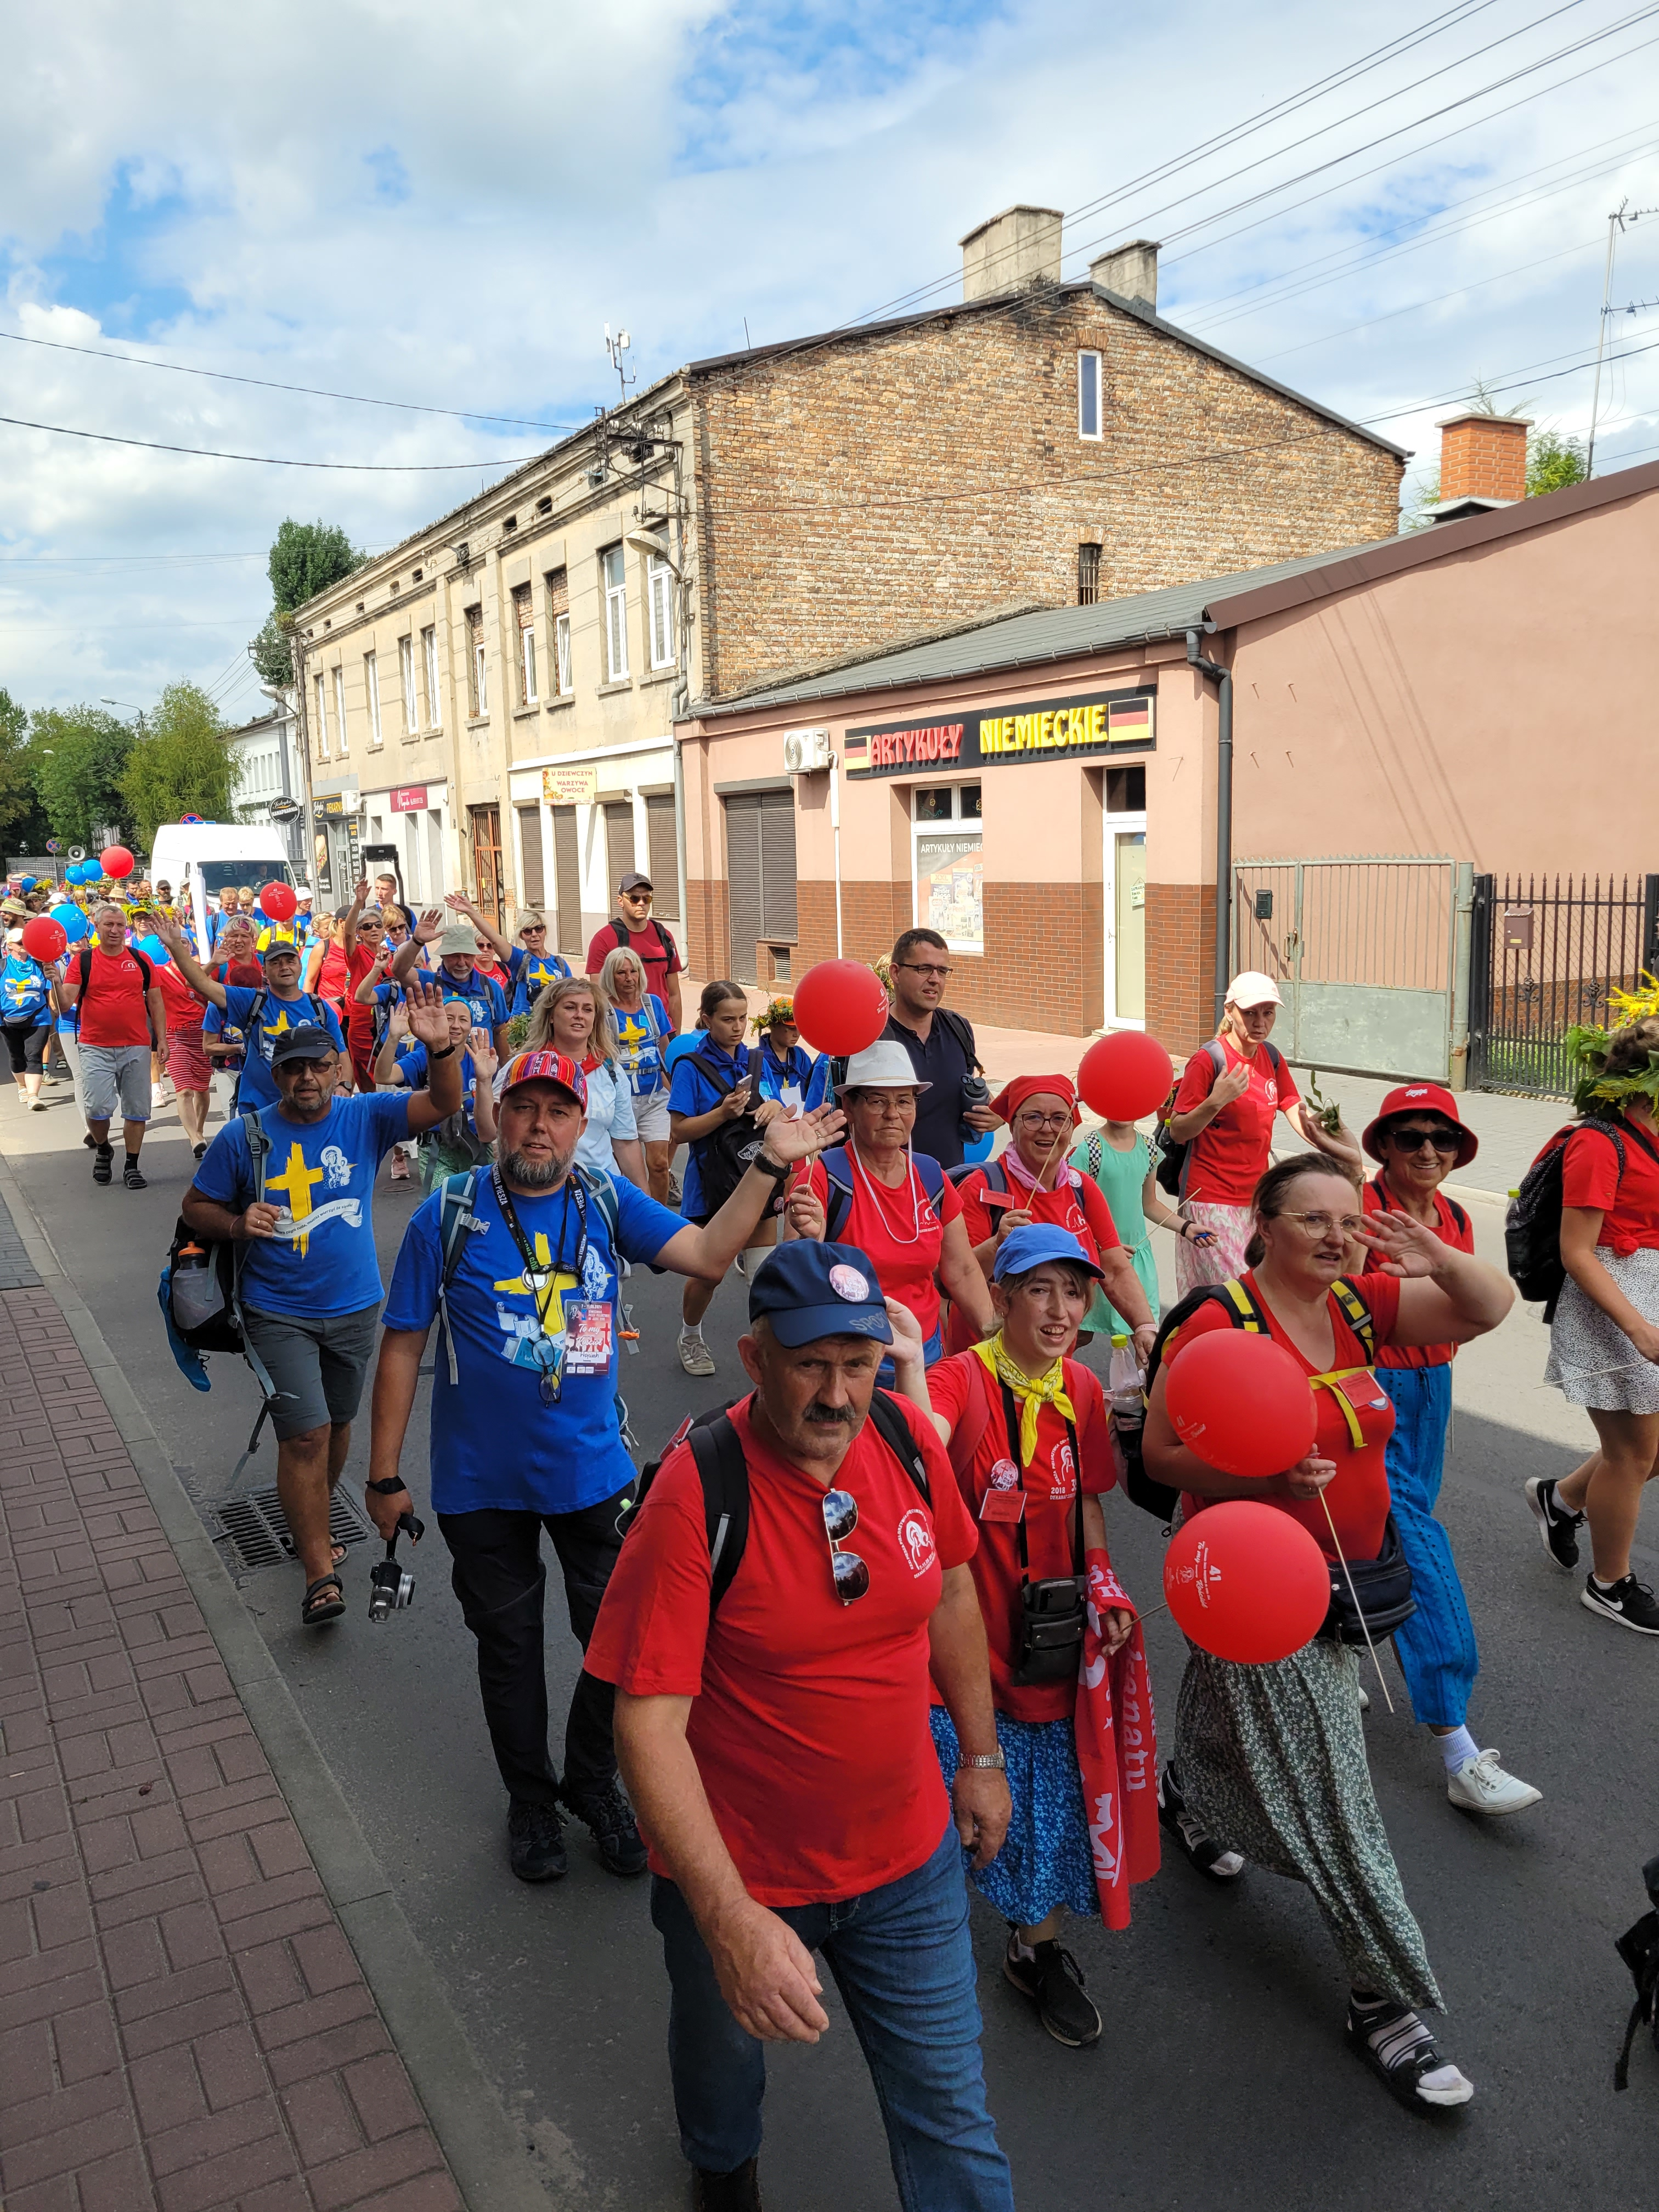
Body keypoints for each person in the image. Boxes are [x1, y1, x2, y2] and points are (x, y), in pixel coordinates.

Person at [588, 1240, 1015, 2212]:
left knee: (950, 2111)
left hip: (907, 1863)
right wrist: (728, 1915)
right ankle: (721, 2166)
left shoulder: (906, 1437)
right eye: (809, 1364)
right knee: (722, 2078)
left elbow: (950, 1590)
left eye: (857, 1364)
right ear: (754, 1360)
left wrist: (980, 1759)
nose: (836, 1394)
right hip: (742, 1876)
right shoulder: (697, 1488)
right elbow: (646, 1722)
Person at [370, 1048, 836, 1888]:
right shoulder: (451, 1213)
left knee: (620, 1647)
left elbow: (706, 1251)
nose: (539, 1126)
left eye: (557, 1111)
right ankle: (531, 1800)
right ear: (498, 1117)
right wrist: (383, 1474)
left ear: (582, 1124)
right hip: (481, 1486)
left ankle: (591, 1779)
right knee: (507, 1650)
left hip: (594, 1476)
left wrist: (770, 1164)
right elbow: (403, 1345)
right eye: (524, 1109)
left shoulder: (601, 1200)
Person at [1142, 1153, 1512, 2112]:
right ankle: (1378, 1999)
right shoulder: (1217, 1322)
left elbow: (1484, 1310)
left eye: (1347, 1221)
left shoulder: (1360, 1307)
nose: (1336, 1237)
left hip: (1346, 1585)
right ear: (1262, 1223)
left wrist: (1433, 1252)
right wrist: (1263, 1479)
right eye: (1312, 1219)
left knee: (1242, 1724)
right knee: (1338, 1794)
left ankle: (1188, 1796)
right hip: (1254, 1588)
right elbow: (1157, 1451)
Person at [899, 1225, 1156, 2050]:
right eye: (1038, 1289)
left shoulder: (1080, 1388)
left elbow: (1086, 1502)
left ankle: (1032, 1948)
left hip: (1046, 1639)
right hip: (954, 1642)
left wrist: (1105, 1581)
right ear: (999, 1297)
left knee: (1038, 1802)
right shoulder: (958, 1379)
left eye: (1073, 1292)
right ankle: (906, 1950)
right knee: (939, 1803)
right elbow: (921, 1444)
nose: (1059, 1308)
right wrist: (909, 1377)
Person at [182, 984, 464, 1626]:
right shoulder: (244, 1136)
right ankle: (319, 1571)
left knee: (336, 1427)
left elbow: (445, 1102)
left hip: (356, 1307)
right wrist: (235, 1221)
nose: (305, 1078)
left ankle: (310, 1521)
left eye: (316, 1065)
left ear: (337, 1068)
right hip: (276, 1309)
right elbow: (195, 1207)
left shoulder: (365, 1116)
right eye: (292, 1068)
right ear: (274, 1074)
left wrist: (440, 1046)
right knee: (305, 1434)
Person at [1360, 1085, 1540, 1811]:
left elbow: (1471, 1314)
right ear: (1387, 1147)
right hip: (1371, 1393)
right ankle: (1455, 1744)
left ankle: (1333, 1655)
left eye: (1442, 1138)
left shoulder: (1456, 1216)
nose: (1428, 1150)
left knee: (1377, 1534)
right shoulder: (1361, 1214)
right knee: (1421, 1549)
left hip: (1432, 1389)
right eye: (1411, 1137)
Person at [1527, 1015, 1659, 1634]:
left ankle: (1564, 1499)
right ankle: (1610, 1585)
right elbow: (1578, 1250)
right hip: (1612, 1306)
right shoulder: (1599, 1143)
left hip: (1652, 1296)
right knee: (1632, 1454)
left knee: (1647, 1450)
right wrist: (1636, 1328)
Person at [796, 1040, 995, 1370]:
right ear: (848, 1105)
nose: (893, 1114)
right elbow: (797, 1280)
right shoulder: (822, 1178)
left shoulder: (930, 1176)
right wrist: (810, 1241)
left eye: (905, 1101)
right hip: (849, 1364)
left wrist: (996, 1342)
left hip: (925, 1354)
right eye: (877, 1101)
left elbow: (961, 1270)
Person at [1166, 970, 1361, 1290]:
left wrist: (1332, 1141)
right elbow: (1179, 1131)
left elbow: (1294, 1108)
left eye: (1268, 1013)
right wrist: (1215, 1102)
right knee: (1241, 1292)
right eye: (1250, 1013)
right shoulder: (1209, 1060)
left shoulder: (1270, 1056)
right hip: (1212, 1199)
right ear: (1230, 1012)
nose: (1260, 1023)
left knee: (1259, 1289)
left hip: (1258, 1199)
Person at [950, 1075, 1156, 1359]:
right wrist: (996, 1244)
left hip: (1055, 1358)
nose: (1047, 1129)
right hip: (988, 1354)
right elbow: (957, 1275)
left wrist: (1143, 1325)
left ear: (1072, 1127)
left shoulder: (1081, 1188)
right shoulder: (982, 1186)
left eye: (1060, 1119)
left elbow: (1115, 1267)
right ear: (1012, 1125)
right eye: (1033, 1118)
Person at [669, 981, 780, 1376]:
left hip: (759, 1175)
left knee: (765, 1271)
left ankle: (771, 1347)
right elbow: (679, 1131)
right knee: (709, 1273)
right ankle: (690, 1334)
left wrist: (775, 1110)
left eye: (743, 1019)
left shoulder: (754, 1060)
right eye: (728, 1019)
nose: (737, 1028)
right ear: (706, 1019)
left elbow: (776, 1102)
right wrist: (722, 1114)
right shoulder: (689, 1067)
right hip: (713, 1182)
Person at [155, 922, 346, 1119]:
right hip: (258, 1111)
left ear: (299, 966)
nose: (284, 967)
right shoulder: (251, 1001)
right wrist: (176, 945)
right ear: (264, 970)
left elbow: (342, 1056)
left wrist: (344, 1087)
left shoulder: (320, 1008)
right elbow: (201, 984)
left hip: (308, 1109)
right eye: (275, 963)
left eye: (290, 961)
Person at [55, 904, 166, 1189]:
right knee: (96, 1108)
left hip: (136, 1045)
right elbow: (65, 1004)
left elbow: (156, 1002)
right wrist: (55, 981)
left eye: (119, 925)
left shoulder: (141, 959)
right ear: (96, 927)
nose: (115, 930)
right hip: (95, 1046)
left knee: (137, 1110)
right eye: (109, 925)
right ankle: (104, 1148)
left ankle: (132, 1165)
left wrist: (162, 1039)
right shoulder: (84, 961)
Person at [1071, 1112, 1206, 1336]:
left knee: (1145, 1333)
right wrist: (1098, 1247)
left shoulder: (1148, 1149)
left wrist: (1186, 1227)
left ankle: (1145, 1374)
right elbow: (1072, 1207)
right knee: (1080, 1335)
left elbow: (1150, 1203)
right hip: (1095, 1258)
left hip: (1137, 1259)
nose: (1124, 1107)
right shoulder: (1090, 1149)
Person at [524, 975, 644, 1188]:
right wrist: (486, 1081)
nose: (579, 1015)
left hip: (600, 1190)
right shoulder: (526, 1066)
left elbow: (625, 1142)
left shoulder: (610, 1069)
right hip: (541, 1191)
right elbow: (492, 1133)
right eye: (570, 1007)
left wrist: (644, 1201)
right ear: (551, 1016)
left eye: (588, 1010)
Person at [599, 946, 674, 1202]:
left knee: (659, 1165)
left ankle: (662, 1222)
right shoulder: (601, 1009)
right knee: (628, 1171)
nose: (629, 978)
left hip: (654, 1096)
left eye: (633, 971)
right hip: (620, 1100)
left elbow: (666, 1049)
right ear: (611, 975)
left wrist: (677, 1090)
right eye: (621, 973)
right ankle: (633, 1219)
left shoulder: (652, 1004)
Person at [392, 913, 511, 1056]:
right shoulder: (428, 983)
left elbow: (500, 1031)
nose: (462, 963)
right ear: (443, 956)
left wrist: (505, 1072)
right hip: (440, 1070)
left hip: (481, 1073)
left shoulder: (491, 987)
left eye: (467, 956)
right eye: (455, 956)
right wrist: (417, 942)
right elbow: (399, 971)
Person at [585, 870, 683, 1032]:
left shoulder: (664, 936)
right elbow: (598, 996)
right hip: (623, 1032)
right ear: (620, 901)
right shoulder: (603, 939)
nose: (641, 903)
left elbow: (674, 994)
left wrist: (676, 1035)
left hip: (664, 1030)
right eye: (634, 898)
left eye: (647, 898)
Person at [153, 940, 214, 1159]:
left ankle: (199, 1130)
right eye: (175, 944)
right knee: (184, 1089)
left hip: (203, 1034)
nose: (180, 946)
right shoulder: (159, 972)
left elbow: (208, 992)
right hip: (175, 1035)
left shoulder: (205, 969)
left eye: (185, 942)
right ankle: (194, 1138)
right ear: (167, 949)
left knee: (202, 1089)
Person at [752, 996, 829, 1115]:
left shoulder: (800, 1056)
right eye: (791, 1028)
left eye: (799, 1029)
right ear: (773, 1025)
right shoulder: (758, 1060)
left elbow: (811, 1090)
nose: (797, 1034)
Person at [2, 928, 52, 1111]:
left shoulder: (40, 965)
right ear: (10, 946)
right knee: (16, 1056)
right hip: (7, 1019)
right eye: (21, 943)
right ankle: (22, 1086)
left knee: (34, 1056)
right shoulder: (2, 967)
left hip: (38, 1017)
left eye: (27, 943)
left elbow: (50, 990)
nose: (25, 946)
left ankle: (34, 1096)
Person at [505, 909, 572, 1014]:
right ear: (521, 935)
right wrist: (470, 911)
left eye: (539, 929)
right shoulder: (519, 959)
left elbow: (571, 995)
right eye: (528, 931)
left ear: (545, 931)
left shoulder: (560, 963)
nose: (534, 934)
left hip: (552, 1022)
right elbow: (495, 941)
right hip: (524, 1024)